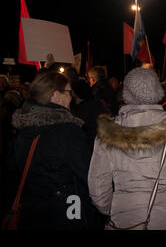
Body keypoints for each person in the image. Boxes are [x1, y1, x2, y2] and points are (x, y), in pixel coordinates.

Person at [88, 67, 166, 230]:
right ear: (157, 90)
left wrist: (114, 209)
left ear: (126, 93)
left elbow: (98, 188)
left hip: (124, 219)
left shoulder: (107, 133)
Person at [9, 71, 101, 229]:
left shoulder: (22, 126)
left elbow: (12, 168)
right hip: (67, 209)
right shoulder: (67, 130)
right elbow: (88, 173)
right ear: (54, 95)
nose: (71, 97)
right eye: (68, 92)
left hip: (33, 209)